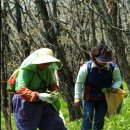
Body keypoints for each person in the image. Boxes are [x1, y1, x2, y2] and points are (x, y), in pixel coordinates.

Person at [12, 48, 67, 130]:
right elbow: (21, 90)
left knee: (55, 125)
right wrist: (38, 95)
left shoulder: (47, 70)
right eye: (45, 63)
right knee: (27, 128)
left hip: (43, 102)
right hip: (25, 103)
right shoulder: (26, 71)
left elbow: (52, 84)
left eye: (49, 63)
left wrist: (54, 93)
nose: (47, 65)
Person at [74, 44, 122, 130]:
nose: (104, 62)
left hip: (104, 96)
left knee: (99, 119)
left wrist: (114, 87)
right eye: (101, 60)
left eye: (106, 60)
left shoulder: (113, 67)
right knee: (87, 117)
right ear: (94, 57)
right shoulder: (86, 67)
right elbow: (79, 82)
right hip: (88, 95)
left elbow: (118, 80)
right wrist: (77, 97)